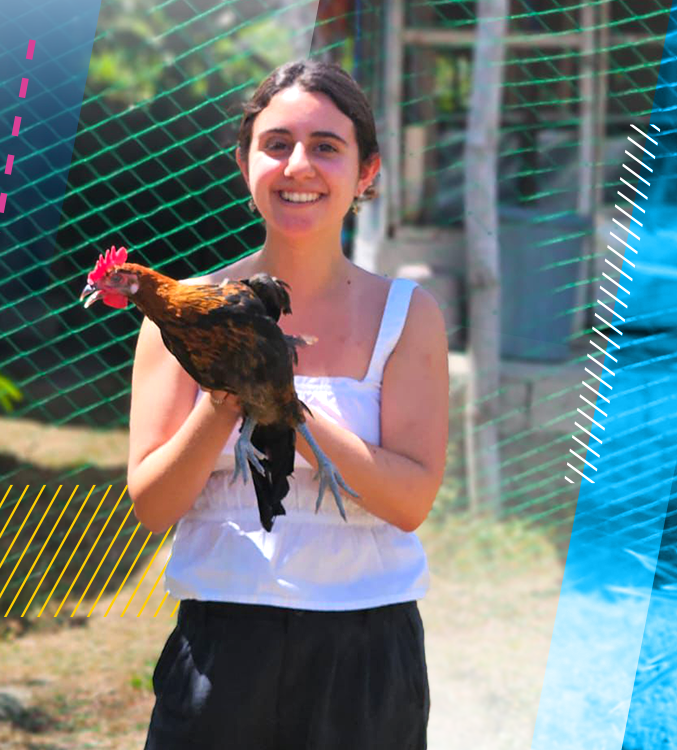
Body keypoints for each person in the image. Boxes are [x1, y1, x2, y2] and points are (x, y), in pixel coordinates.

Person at [128, 59, 449, 750]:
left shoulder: (408, 315)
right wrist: (224, 391)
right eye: (276, 144)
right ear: (245, 163)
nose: (298, 165)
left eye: (326, 146)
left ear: (367, 173)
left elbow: (410, 501)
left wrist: (282, 405)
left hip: (367, 649)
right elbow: (152, 506)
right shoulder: (180, 313)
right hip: (221, 650)